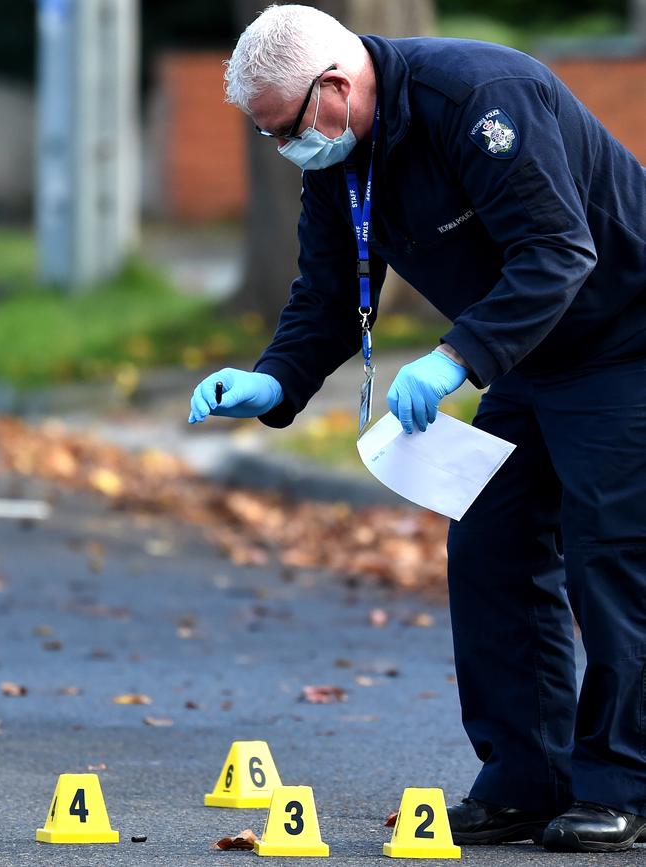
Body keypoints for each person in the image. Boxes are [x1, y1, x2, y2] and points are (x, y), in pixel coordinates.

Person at [189, 4, 646, 853]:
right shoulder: (340, 155)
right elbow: (326, 293)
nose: (282, 147)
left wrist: (452, 359)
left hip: (624, 339)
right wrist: (273, 379)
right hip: (528, 353)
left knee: (611, 552)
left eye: (284, 128)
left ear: (333, 87)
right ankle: (526, 778)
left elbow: (557, 249)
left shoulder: (478, 98)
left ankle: (623, 782)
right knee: (491, 547)